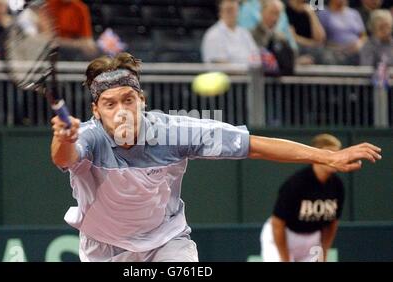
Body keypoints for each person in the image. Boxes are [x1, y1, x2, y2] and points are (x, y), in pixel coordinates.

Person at [50, 52, 382, 262]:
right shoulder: (88, 137)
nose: (122, 111)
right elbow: (64, 158)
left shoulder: (174, 132)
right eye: (110, 104)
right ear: (96, 110)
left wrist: (327, 157)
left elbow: (255, 145)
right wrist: (63, 138)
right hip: (102, 249)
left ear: (142, 100)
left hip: (166, 242)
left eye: (128, 99)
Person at [261, 134, 345, 262]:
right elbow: (277, 223)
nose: (334, 158)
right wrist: (285, 259)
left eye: (337, 154)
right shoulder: (297, 183)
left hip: (312, 238)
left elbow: (332, 224)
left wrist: (324, 252)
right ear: (316, 155)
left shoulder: (337, 186)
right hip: (285, 235)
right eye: (329, 153)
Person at [201, 0, 260, 67]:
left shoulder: (245, 33)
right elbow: (221, 66)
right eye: (228, 10)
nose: (232, 14)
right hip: (228, 77)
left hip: (249, 75)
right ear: (220, 12)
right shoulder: (213, 35)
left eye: (234, 10)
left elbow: (256, 59)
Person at [251, 0, 295, 75]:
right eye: (272, 12)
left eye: (277, 14)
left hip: (278, 81)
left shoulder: (282, 38)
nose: (274, 18)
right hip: (258, 80)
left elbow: (290, 57)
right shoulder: (251, 35)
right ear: (262, 12)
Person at [318, 0, 367, 65]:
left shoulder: (354, 13)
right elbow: (321, 39)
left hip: (357, 51)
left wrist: (360, 43)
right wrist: (344, 47)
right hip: (335, 51)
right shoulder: (323, 13)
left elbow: (363, 35)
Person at [285, 0, 326, 65]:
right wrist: (312, 44)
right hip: (296, 46)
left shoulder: (314, 4)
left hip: (312, 48)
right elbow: (293, 37)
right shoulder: (286, 8)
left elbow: (320, 38)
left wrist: (312, 14)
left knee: (322, 53)